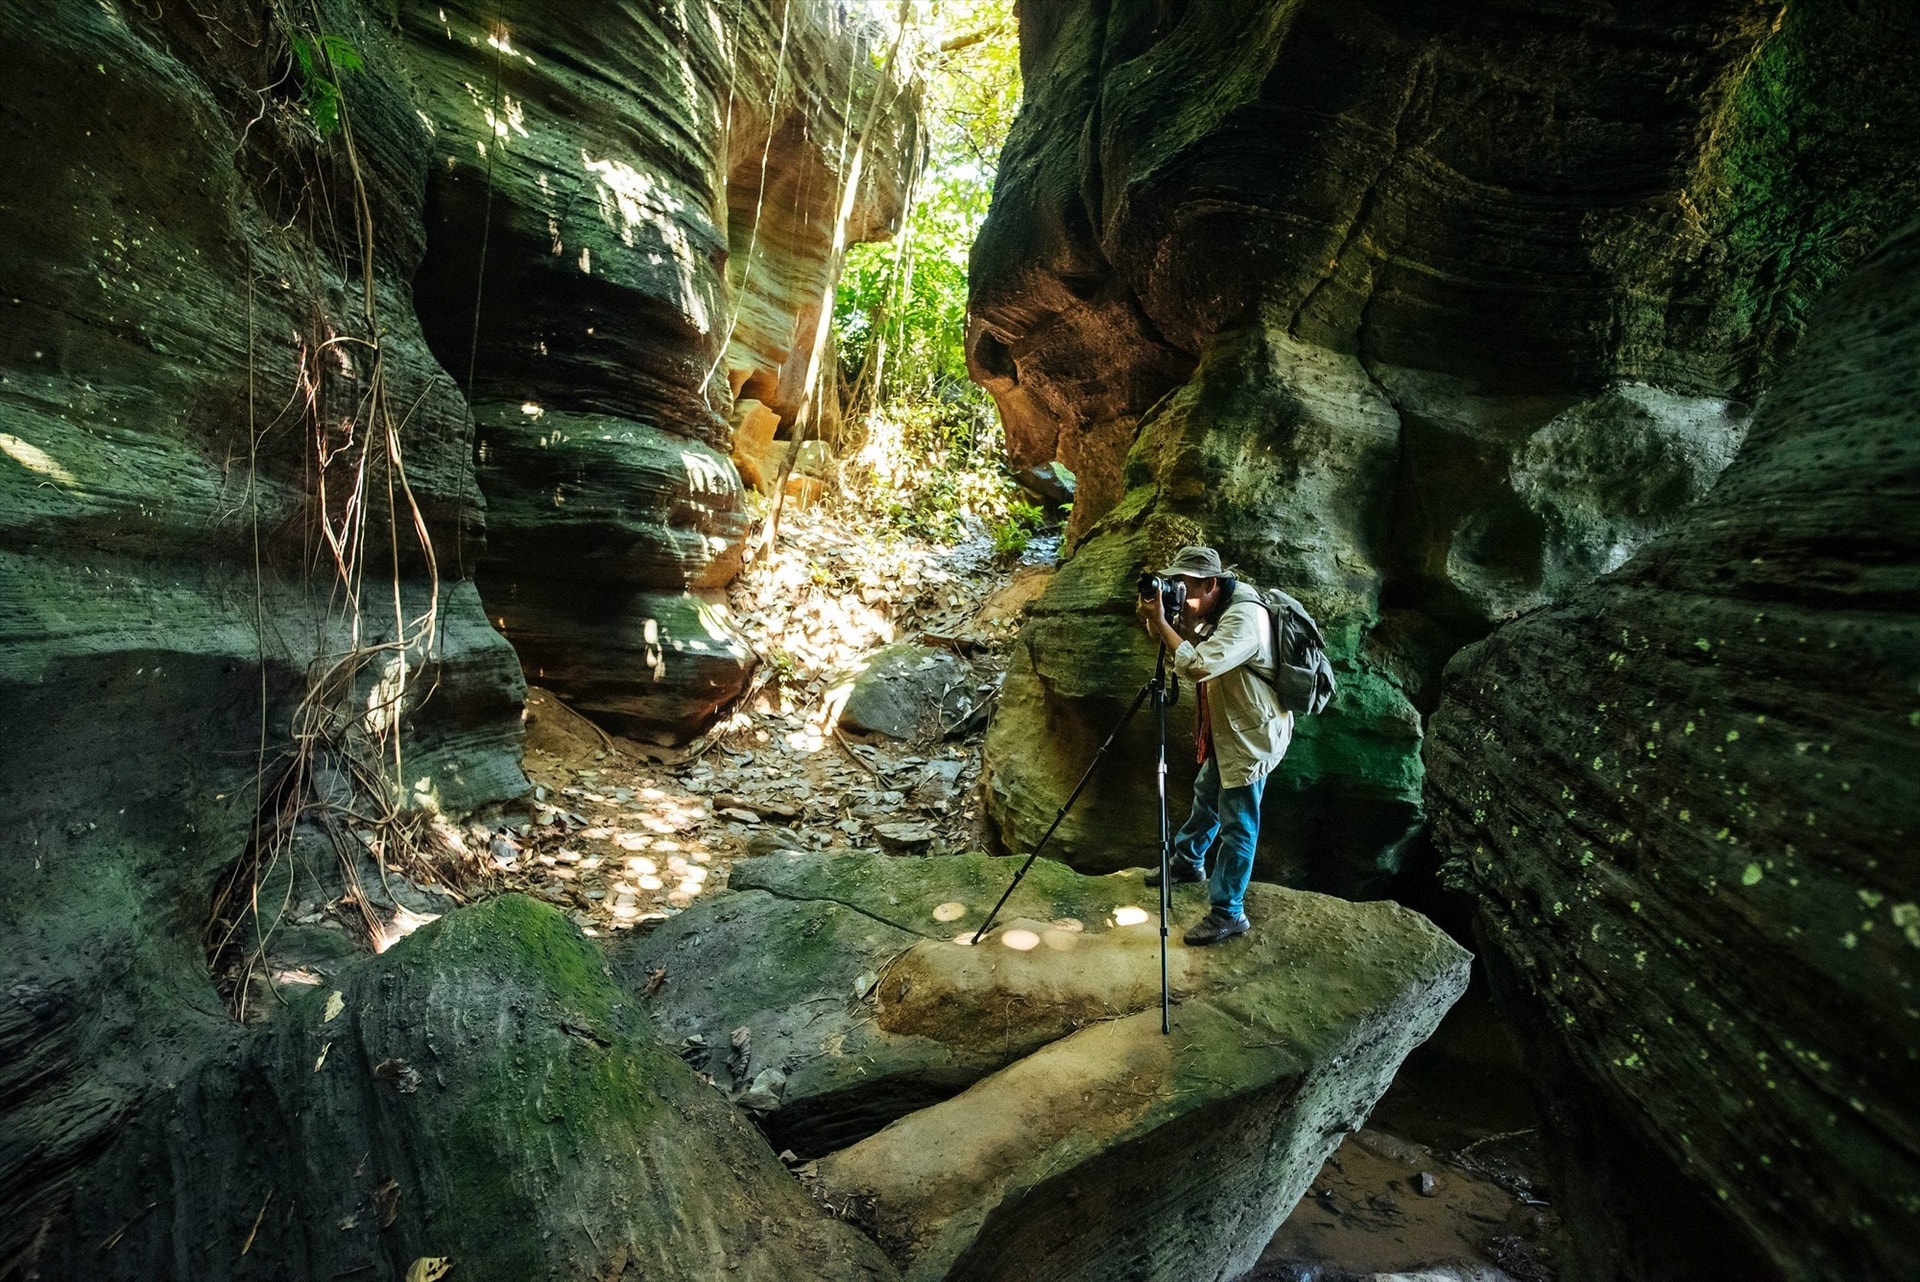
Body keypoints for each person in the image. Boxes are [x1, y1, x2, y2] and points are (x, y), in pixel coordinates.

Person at [1134, 545, 1292, 945]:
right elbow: (1195, 647)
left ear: (1211, 584)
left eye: (1182, 586)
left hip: (1251, 736)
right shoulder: (1216, 606)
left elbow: (1199, 664)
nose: (1177, 592)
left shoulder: (1244, 617)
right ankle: (1187, 863)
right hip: (1230, 726)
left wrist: (1164, 624)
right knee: (1207, 794)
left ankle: (1229, 912)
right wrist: (1172, 618)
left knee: (1239, 823)